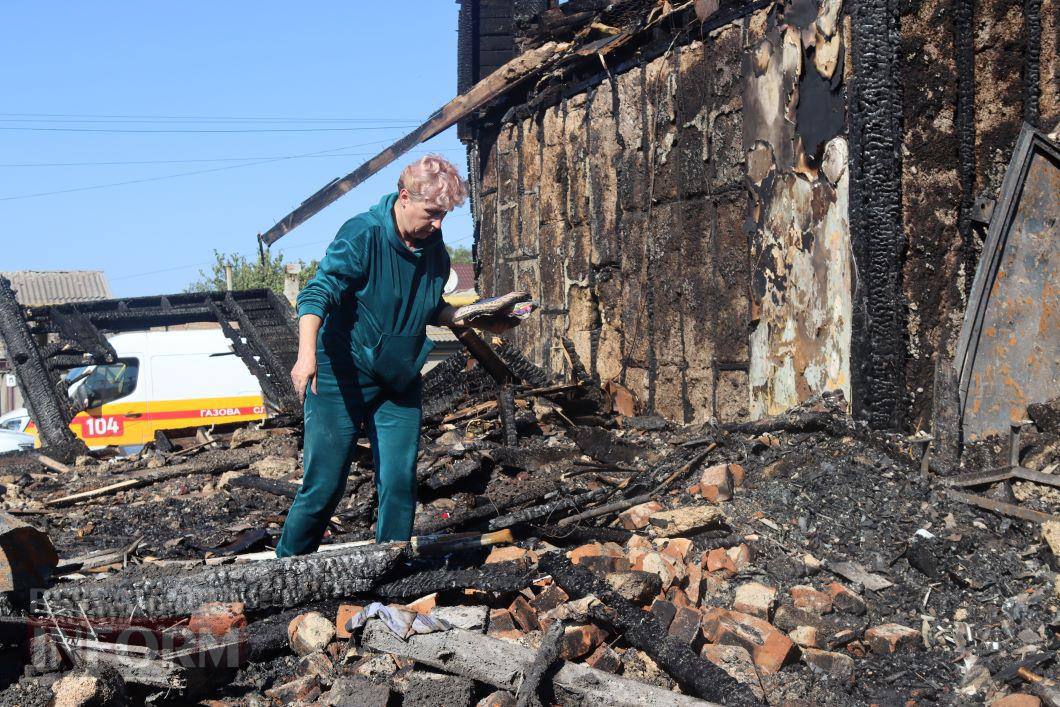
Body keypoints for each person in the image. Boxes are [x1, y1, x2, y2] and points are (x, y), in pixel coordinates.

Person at [276, 155, 514, 557]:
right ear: (405, 197)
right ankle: (287, 568)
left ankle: (389, 565)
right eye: (432, 213)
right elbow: (317, 292)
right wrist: (305, 356)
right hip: (341, 373)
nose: (438, 225)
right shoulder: (364, 234)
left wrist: (473, 317)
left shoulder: (433, 248)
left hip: (398, 377)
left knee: (400, 480)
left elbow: (427, 306)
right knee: (325, 484)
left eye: (443, 216)